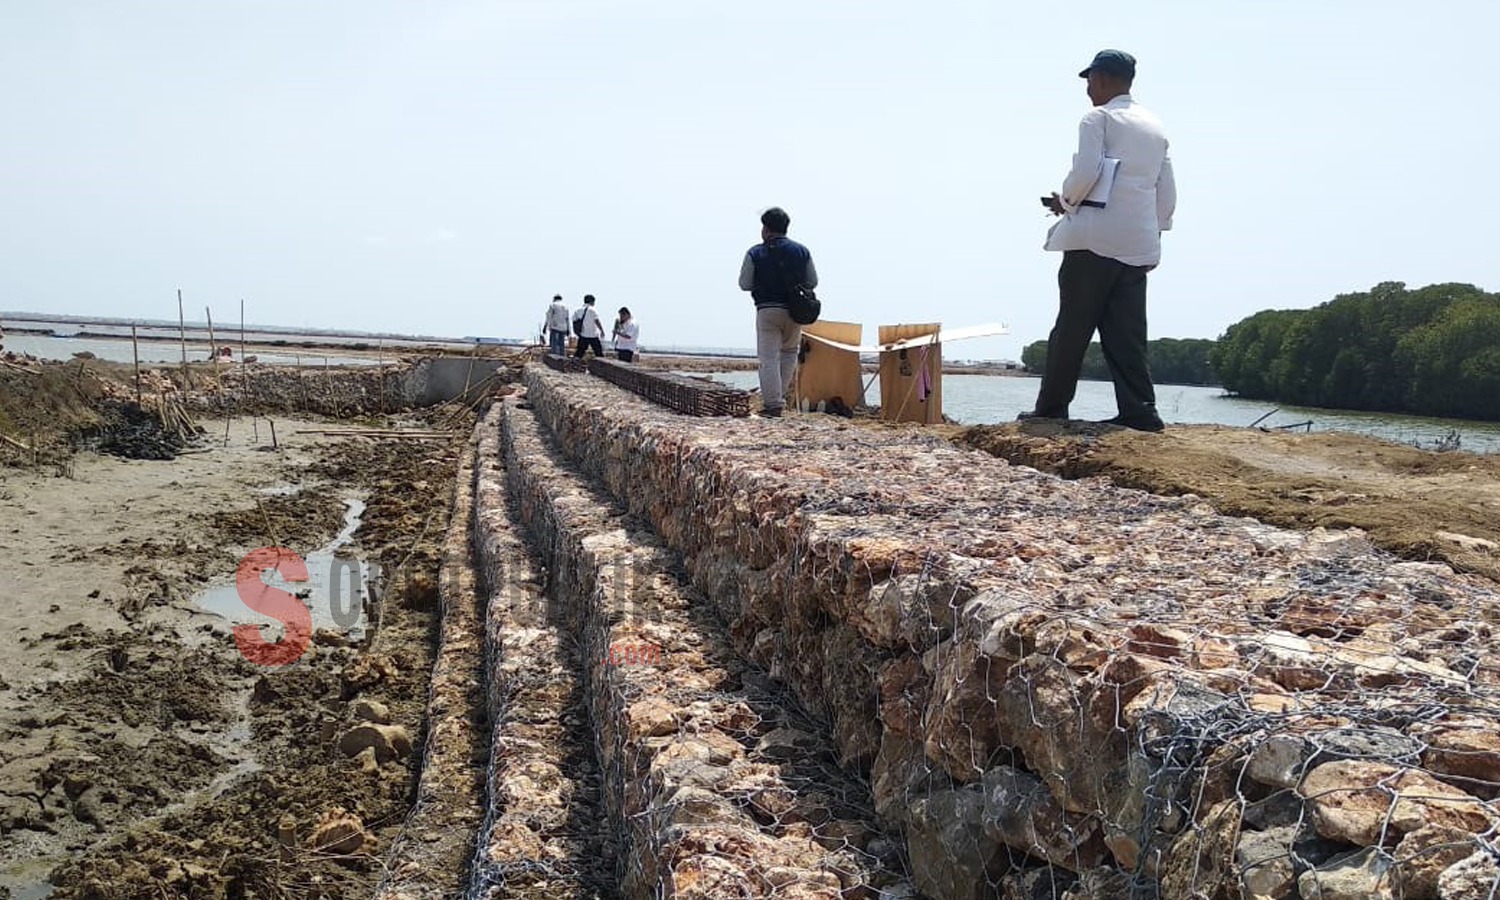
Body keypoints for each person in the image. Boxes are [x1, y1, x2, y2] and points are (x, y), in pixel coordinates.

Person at [1020, 49, 1176, 433]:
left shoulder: (1098, 118)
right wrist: (1155, 236)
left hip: (1094, 239)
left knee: (1072, 326)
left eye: (1089, 80)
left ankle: (1052, 408)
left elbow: (1087, 170)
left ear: (1102, 79)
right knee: (1127, 333)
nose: (1088, 89)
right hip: (1137, 242)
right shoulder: (1155, 127)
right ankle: (1140, 412)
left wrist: (1066, 201)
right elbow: (1166, 191)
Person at [738, 207, 817, 418]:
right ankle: (779, 397)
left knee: (768, 357)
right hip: (794, 310)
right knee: (789, 353)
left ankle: (773, 403)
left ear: (766, 228)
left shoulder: (755, 252)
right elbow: (812, 282)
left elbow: (744, 283)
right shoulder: (802, 251)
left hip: (767, 309)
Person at [572, 294, 605, 359]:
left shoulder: (577, 310)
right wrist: (602, 330)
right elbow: (597, 321)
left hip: (582, 335)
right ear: (592, 301)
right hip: (593, 335)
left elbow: (574, 321)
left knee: (579, 353)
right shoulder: (592, 310)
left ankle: (574, 366)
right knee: (599, 353)